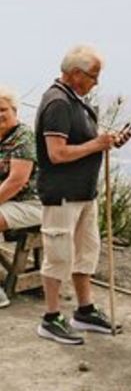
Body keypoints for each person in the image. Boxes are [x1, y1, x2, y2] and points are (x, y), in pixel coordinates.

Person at [34, 45, 131, 344]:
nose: (96, 82)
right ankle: (51, 318)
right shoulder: (58, 103)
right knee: (59, 254)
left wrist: (110, 142)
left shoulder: (76, 100)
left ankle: (84, 309)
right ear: (75, 74)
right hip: (62, 194)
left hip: (84, 193)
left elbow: (84, 142)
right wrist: (96, 145)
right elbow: (57, 153)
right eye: (93, 75)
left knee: (86, 252)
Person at [0, 86, 42, 309]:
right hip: (8, 200)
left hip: (31, 202)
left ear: (14, 110)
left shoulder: (23, 137)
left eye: (2, 109)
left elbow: (16, 181)